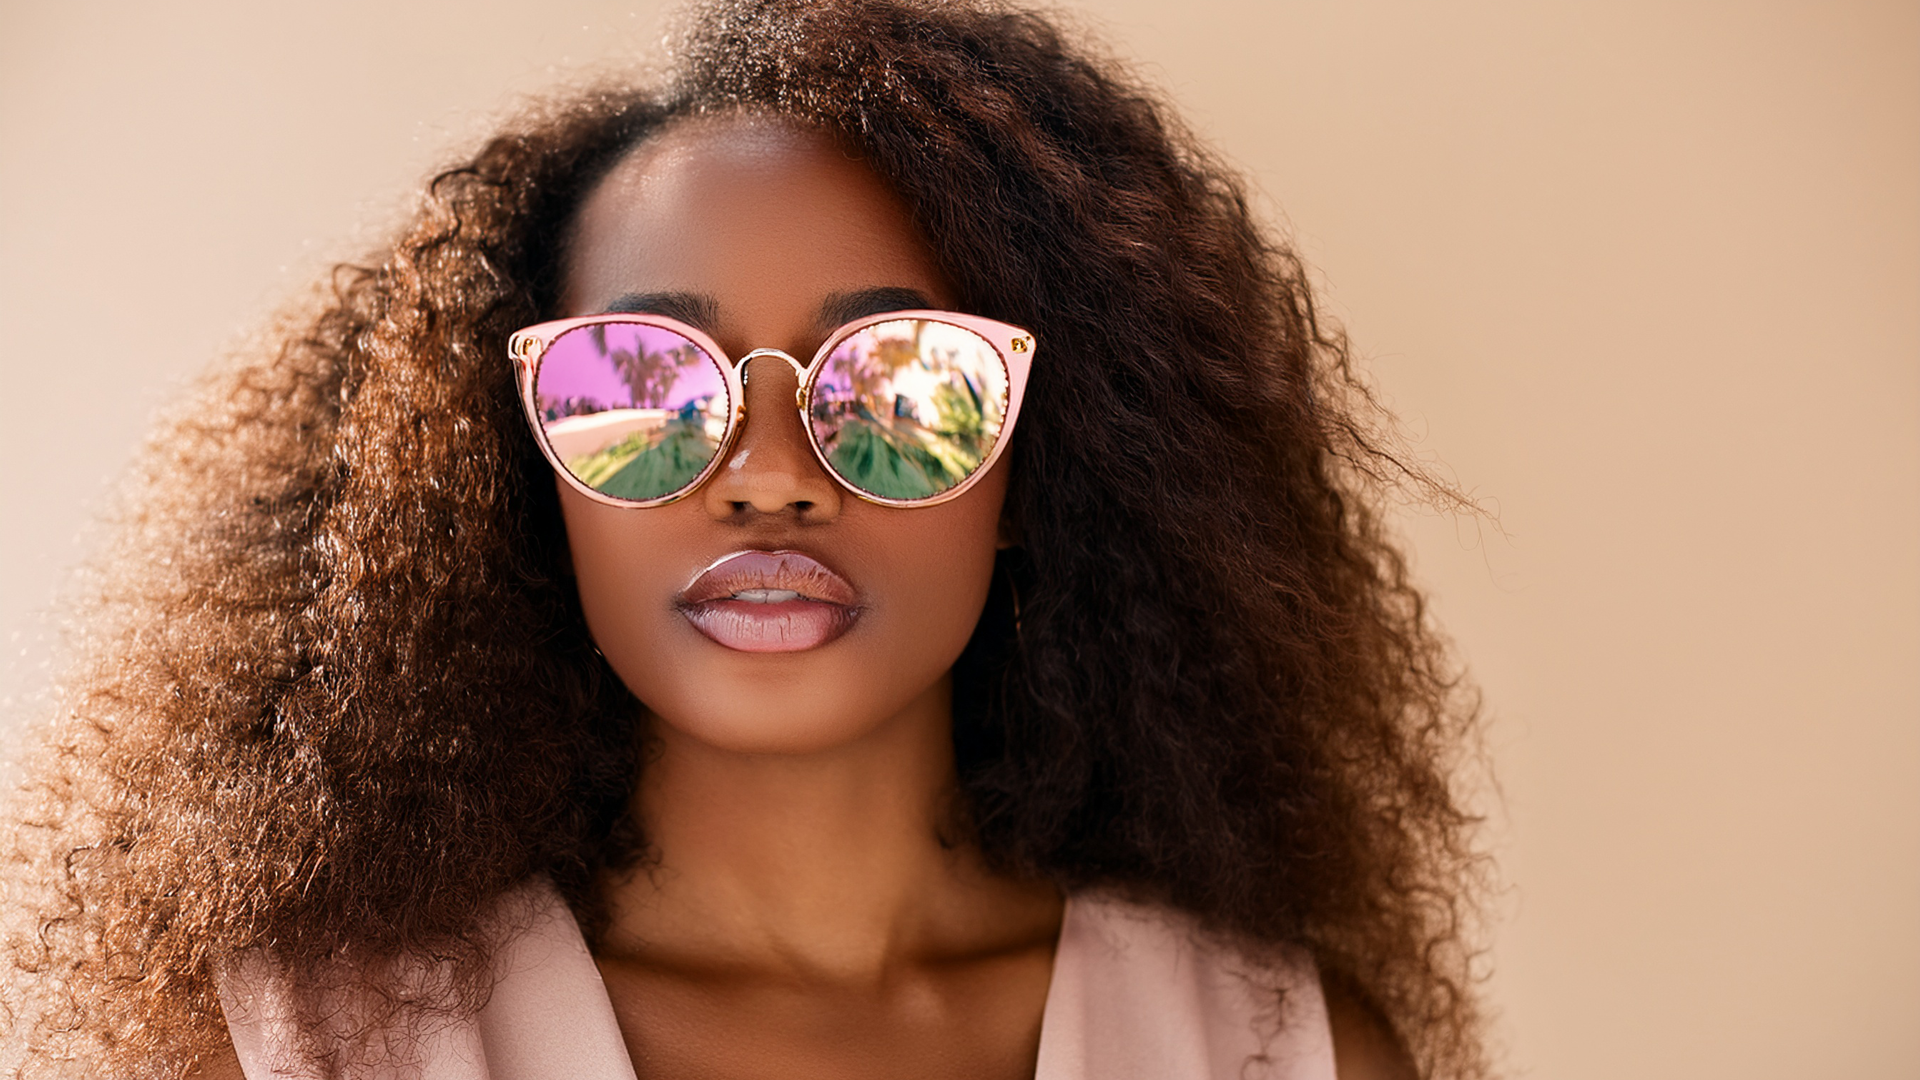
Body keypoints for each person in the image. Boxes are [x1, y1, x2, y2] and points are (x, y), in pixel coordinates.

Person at [0, 1, 1488, 1077]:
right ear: (523, 472)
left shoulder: (1277, 1050)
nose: (767, 478)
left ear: (1040, 469)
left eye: (902, 383)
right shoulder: (283, 1052)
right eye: (641, 387)